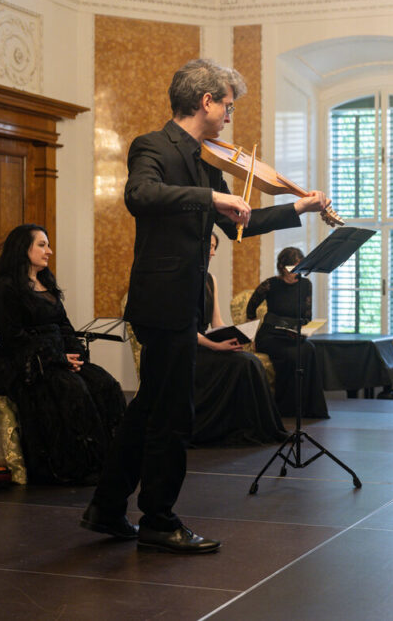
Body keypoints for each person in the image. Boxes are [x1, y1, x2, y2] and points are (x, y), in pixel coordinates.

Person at [81, 58, 331, 554]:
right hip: (162, 301)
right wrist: (213, 200)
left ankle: (107, 508)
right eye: (228, 105)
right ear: (206, 102)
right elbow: (140, 194)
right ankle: (158, 519)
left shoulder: (205, 159)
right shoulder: (152, 146)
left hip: (183, 302)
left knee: (149, 408)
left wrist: (298, 207)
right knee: (173, 414)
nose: (230, 117)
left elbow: (242, 223)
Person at [0, 224, 126, 485]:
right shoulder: (7, 287)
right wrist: (57, 359)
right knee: (71, 389)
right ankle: (76, 465)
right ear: (22, 249)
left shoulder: (46, 282)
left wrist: (74, 353)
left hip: (58, 356)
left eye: (48, 245)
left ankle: (111, 459)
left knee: (104, 383)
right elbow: (12, 336)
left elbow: (64, 326)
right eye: (42, 245)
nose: (49, 251)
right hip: (25, 362)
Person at [193, 233, 287, 445]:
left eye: (215, 247)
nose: (213, 252)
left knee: (250, 360)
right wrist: (216, 346)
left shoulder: (210, 279)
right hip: (190, 350)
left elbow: (217, 322)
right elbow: (186, 330)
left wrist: (236, 335)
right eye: (209, 246)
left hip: (208, 344)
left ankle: (260, 428)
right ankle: (242, 427)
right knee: (243, 364)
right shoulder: (182, 278)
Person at [246, 247, 329, 419]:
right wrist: (251, 335)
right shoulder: (270, 284)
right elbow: (250, 309)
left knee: (310, 349)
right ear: (282, 266)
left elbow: (306, 316)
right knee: (292, 356)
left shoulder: (305, 285)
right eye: (291, 268)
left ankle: (308, 407)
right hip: (270, 336)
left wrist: (306, 330)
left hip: (292, 334)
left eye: (299, 268)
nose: (295, 273)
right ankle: (285, 408)